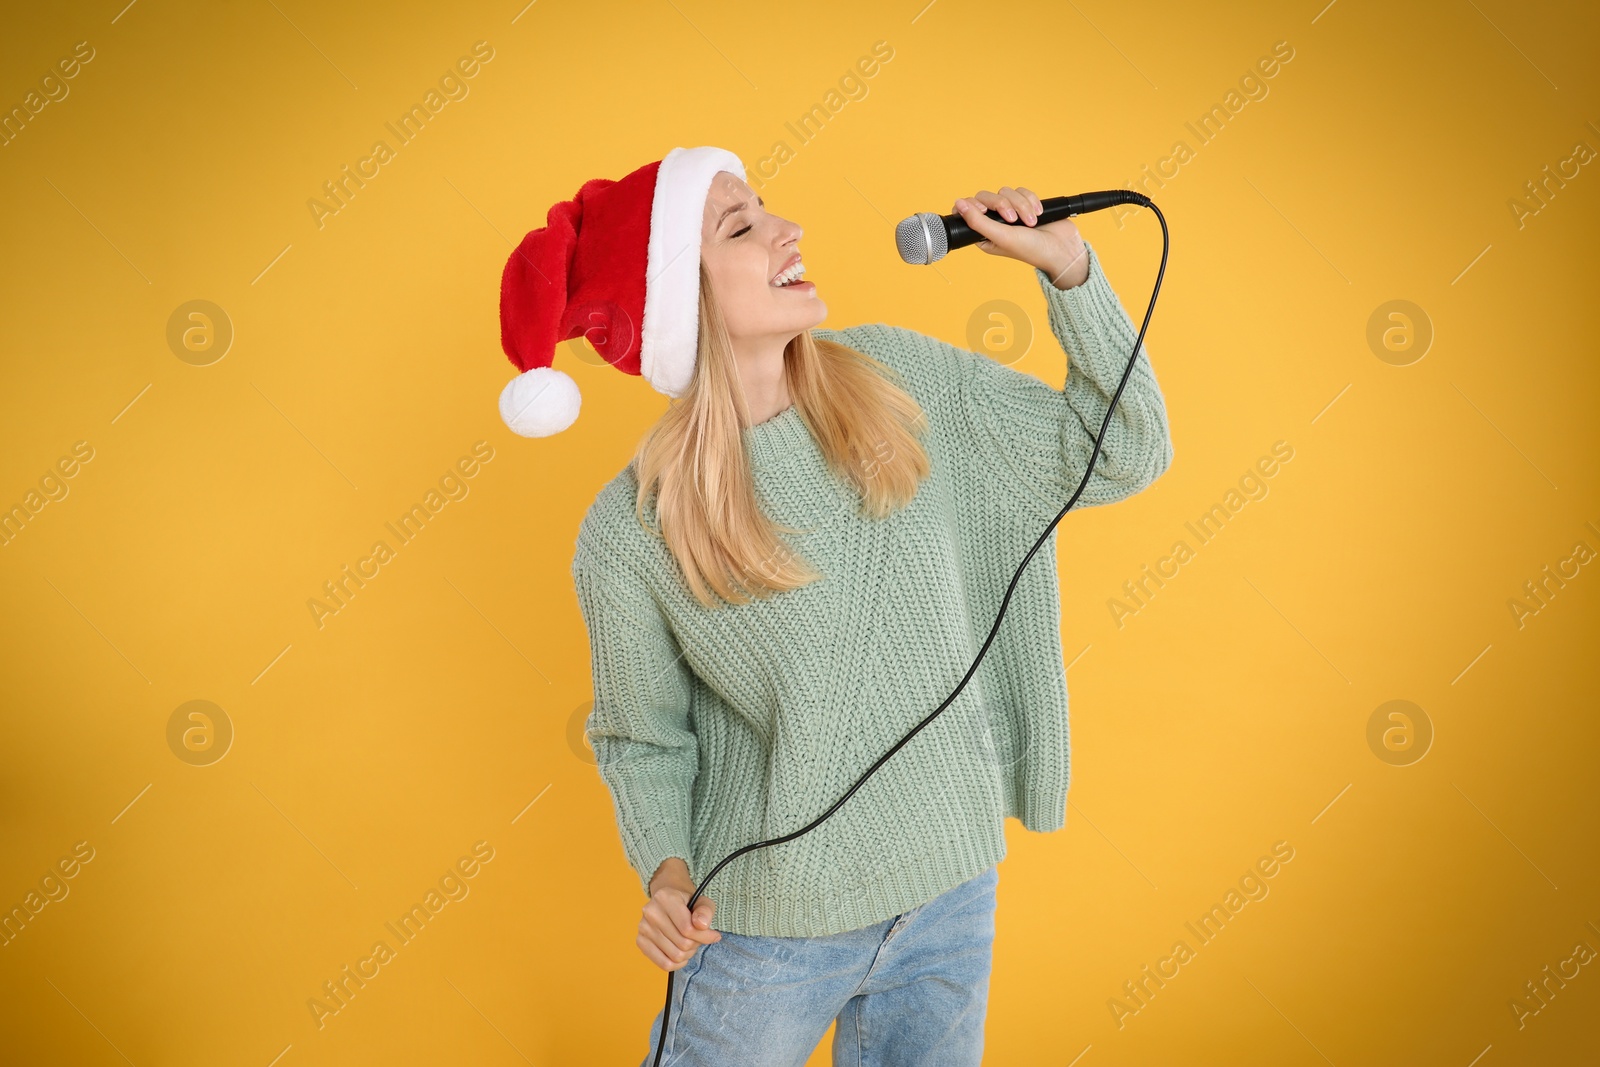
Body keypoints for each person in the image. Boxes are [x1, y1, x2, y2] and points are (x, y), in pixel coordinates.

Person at [495, 146, 1174, 1066]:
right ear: (675, 301)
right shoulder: (630, 531)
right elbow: (643, 737)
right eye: (741, 226)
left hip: (951, 888)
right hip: (768, 930)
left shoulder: (899, 379)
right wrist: (665, 872)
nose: (788, 230)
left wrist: (1072, 273)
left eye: (768, 207)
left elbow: (1125, 449)